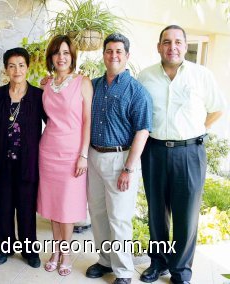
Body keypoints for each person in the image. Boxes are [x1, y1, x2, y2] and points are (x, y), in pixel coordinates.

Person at [138, 25, 226, 284]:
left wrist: (199, 130)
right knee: (156, 212)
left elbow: (217, 108)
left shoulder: (201, 75)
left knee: (186, 216)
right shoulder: (146, 77)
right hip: (153, 151)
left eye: (177, 42)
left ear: (185, 46)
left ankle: (181, 271)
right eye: (167, 42)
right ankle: (158, 263)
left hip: (189, 152)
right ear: (159, 47)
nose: (172, 47)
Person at [85, 33, 152, 284]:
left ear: (127, 56)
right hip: (94, 156)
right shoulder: (93, 85)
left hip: (120, 159)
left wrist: (128, 168)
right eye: (109, 51)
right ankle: (105, 261)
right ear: (103, 55)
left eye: (118, 51)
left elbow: (142, 131)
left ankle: (123, 271)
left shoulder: (137, 91)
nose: (113, 55)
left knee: (119, 219)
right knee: (98, 214)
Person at [37, 35, 93, 276]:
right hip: (48, 149)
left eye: (66, 53)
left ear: (72, 57)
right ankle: (56, 250)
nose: (61, 57)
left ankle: (66, 252)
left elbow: (88, 120)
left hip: (72, 152)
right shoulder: (45, 84)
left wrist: (83, 155)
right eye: (57, 53)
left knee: (67, 206)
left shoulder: (83, 82)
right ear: (51, 57)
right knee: (52, 204)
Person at [0, 47, 44, 268]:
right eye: (12, 65)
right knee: (4, 206)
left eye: (21, 65)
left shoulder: (38, 96)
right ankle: (5, 247)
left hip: (28, 163)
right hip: (2, 163)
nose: (17, 70)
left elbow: (56, 122)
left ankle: (30, 251)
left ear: (27, 68)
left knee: (27, 208)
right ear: (6, 69)